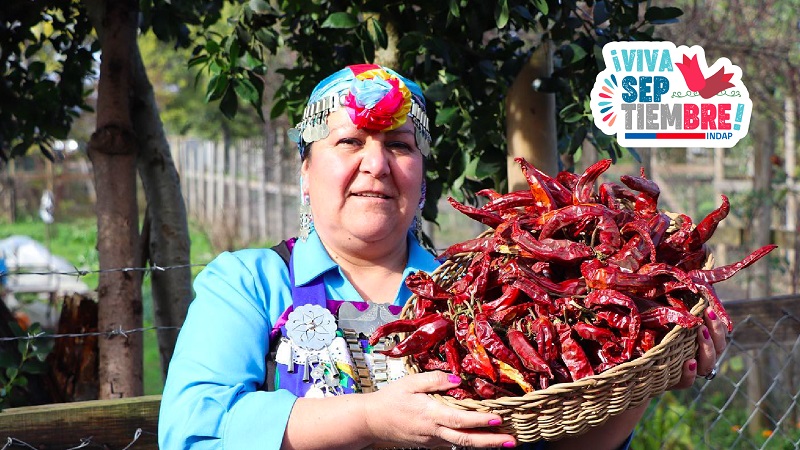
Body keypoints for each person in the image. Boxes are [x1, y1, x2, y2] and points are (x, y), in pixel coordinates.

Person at [158, 64, 727, 450]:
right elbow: (191, 432)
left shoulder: (480, 292)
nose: (377, 165)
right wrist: (369, 417)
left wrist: (640, 383)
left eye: (400, 146)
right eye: (350, 142)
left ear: (422, 175)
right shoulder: (249, 284)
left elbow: (543, 435)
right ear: (305, 171)